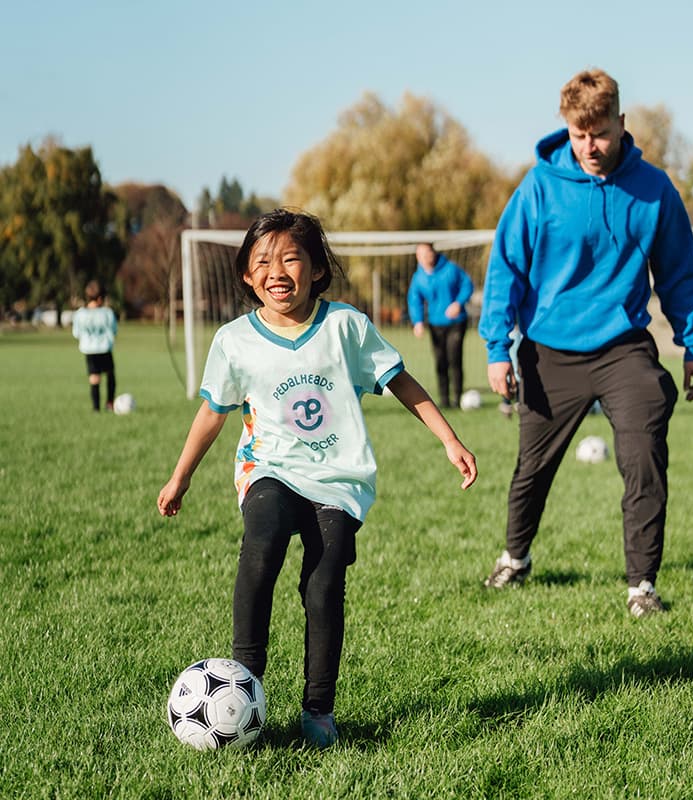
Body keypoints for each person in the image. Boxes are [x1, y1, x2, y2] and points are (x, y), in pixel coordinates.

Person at [157, 209, 477, 748]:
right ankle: (242, 687)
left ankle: (318, 709)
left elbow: (400, 381)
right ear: (246, 275)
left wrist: (449, 439)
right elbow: (213, 413)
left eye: (289, 258)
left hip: (339, 479)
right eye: (262, 261)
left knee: (324, 585)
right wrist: (180, 476)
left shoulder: (345, 326)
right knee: (263, 542)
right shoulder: (234, 341)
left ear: (316, 270)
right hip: (270, 469)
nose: (275, 271)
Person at [479, 69, 693, 617]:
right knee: (532, 468)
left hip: (622, 347)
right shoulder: (538, 187)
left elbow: (679, 271)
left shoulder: (653, 190)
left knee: (644, 450)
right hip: (549, 350)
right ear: (567, 129)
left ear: (621, 123)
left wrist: (692, 343)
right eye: (580, 136)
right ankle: (516, 556)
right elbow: (505, 268)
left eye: (600, 133)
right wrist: (495, 347)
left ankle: (641, 587)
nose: (591, 147)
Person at [407, 243, 474, 408]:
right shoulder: (419, 277)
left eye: (427, 253)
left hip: (456, 323)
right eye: (420, 255)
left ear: (433, 253)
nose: (424, 257)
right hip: (435, 325)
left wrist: (458, 303)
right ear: (417, 257)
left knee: (454, 359)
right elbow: (414, 300)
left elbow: (467, 285)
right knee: (440, 361)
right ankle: (444, 401)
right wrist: (418, 322)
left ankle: (457, 400)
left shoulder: (451, 269)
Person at [72, 280, 118, 412]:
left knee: (94, 377)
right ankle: (109, 403)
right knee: (110, 375)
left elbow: (76, 333)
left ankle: (96, 408)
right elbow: (114, 330)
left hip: (89, 350)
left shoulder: (80, 314)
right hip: (104, 348)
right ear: (100, 298)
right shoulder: (107, 313)